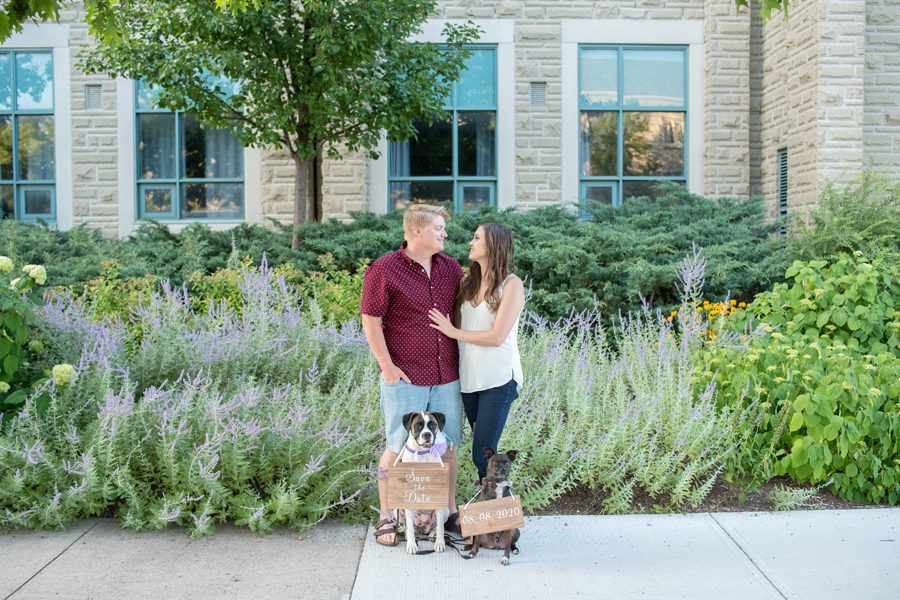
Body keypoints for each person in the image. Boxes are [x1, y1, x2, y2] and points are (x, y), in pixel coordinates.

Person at [361, 204, 465, 547]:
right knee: (396, 447)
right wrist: (387, 368)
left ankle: (447, 513)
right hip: (404, 377)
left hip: (446, 373)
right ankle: (387, 515)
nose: (444, 233)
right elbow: (371, 321)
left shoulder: (451, 268)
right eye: (438, 228)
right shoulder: (384, 269)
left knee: (446, 447)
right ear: (417, 231)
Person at [428, 223, 524, 481]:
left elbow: (496, 337)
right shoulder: (467, 283)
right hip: (470, 379)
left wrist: (452, 332)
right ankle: (494, 507)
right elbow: (457, 325)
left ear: (493, 245)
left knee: (482, 453)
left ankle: (494, 509)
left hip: (499, 378)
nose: (471, 242)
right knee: (484, 452)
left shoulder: (511, 285)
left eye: (477, 238)